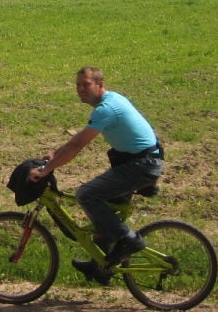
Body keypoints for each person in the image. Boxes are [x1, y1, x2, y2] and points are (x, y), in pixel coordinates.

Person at [28, 66, 163, 269]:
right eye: (78, 85)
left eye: (86, 84)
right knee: (103, 213)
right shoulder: (111, 100)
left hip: (140, 165)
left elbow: (77, 145)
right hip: (139, 161)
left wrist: (46, 170)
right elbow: (77, 139)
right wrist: (55, 154)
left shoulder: (106, 110)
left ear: (100, 85)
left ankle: (128, 240)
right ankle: (101, 266)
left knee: (86, 194)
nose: (81, 89)